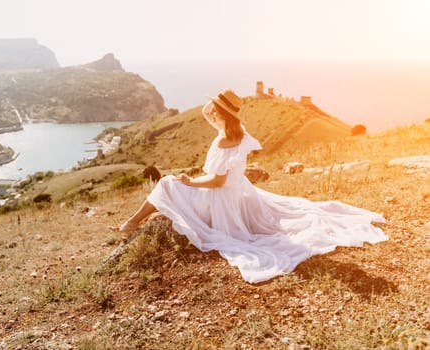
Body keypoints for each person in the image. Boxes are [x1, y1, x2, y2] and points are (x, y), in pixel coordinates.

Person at [111, 89, 387, 283]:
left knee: (168, 183)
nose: (208, 112)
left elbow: (216, 181)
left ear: (219, 112)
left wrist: (189, 180)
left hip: (218, 198)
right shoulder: (239, 134)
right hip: (238, 194)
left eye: (212, 109)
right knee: (171, 185)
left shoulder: (222, 140)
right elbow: (224, 170)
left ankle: (131, 223)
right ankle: (133, 221)